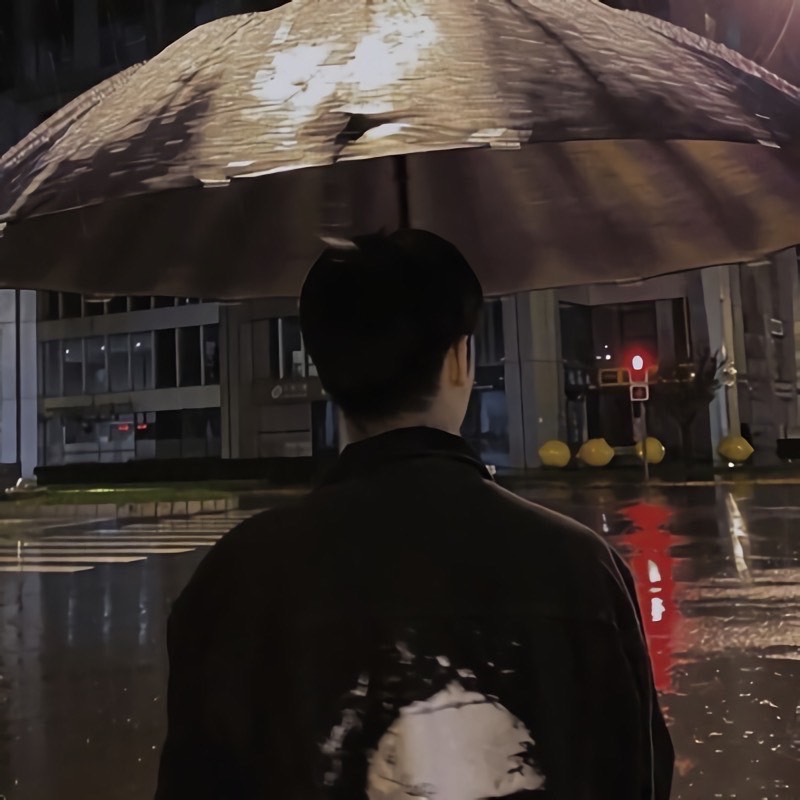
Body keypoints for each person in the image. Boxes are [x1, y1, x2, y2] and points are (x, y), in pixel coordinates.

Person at [155, 230, 674, 799]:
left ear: (327, 370)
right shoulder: (582, 569)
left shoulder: (235, 580)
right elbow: (638, 776)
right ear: (459, 360)